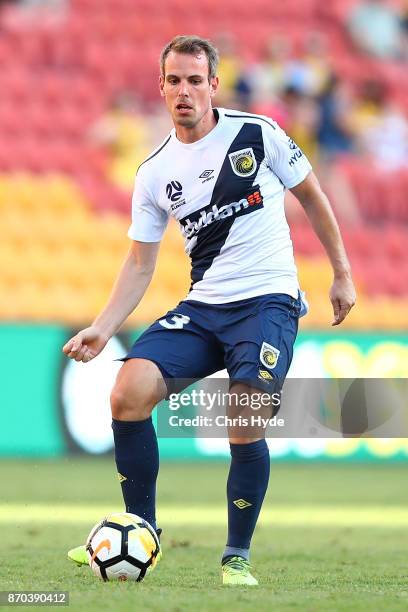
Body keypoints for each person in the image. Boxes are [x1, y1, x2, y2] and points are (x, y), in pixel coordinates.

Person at [63, 35, 356, 586]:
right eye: (174, 80)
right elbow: (139, 264)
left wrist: (341, 273)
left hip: (268, 300)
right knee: (128, 392)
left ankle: (236, 555)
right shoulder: (154, 172)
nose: (184, 91)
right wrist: (103, 329)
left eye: (195, 80)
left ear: (213, 85)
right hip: (205, 306)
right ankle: (142, 530)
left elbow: (314, 195)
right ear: (162, 87)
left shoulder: (257, 134)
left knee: (243, 421)